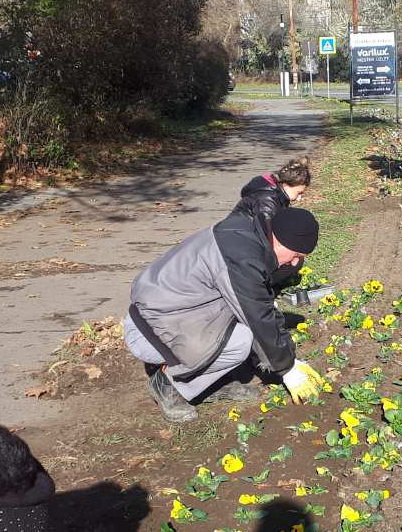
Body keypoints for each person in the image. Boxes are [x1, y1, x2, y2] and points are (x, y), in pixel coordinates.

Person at [124, 207, 327, 423]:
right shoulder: (243, 258)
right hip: (150, 330)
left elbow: (262, 305)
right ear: (280, 241)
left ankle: (208, 384)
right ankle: (169, 384)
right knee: (240, 341)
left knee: (240, 323)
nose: (296, 263)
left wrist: (287, 357)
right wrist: (288, 368)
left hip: (171, 313)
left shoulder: (249, 234)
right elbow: (258, 316)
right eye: (296, 255)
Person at [232, 157, 312, 291]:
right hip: (243, 246)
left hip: (248, 241)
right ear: (287, 185)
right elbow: (267, 238)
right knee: (294, 261)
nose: (299, 198)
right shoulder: (267, 202)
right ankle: (261, 287)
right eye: (299, 193)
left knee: (295, 256)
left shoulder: (275, 194)